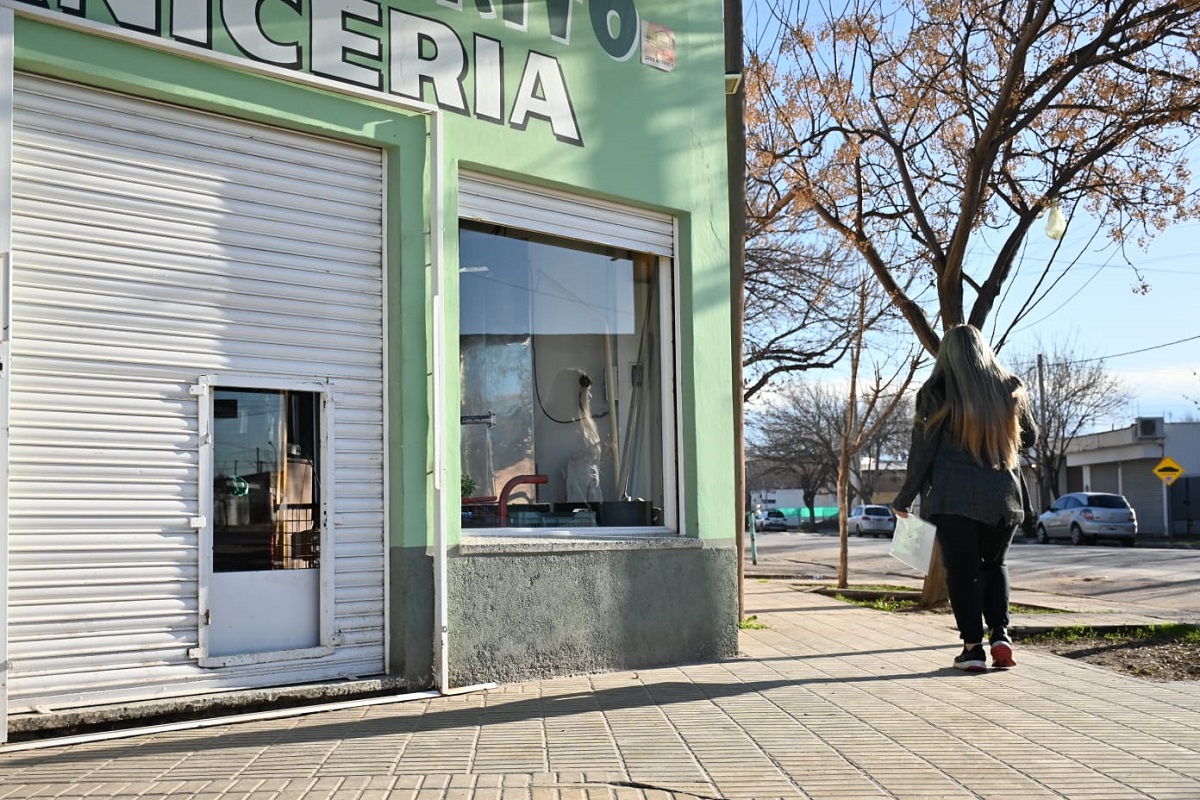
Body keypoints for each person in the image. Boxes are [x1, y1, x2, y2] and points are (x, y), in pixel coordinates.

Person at [892, 324, 1038, 672]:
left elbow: (922, 451)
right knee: (995, 565)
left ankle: (973, 648)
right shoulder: (1010, 387)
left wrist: (905, 497)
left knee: (963, 572)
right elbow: (1030, 438)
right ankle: (1000, 634)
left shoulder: (934, 392)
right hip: (1004, 498)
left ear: (946, 355)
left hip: (953, 498)